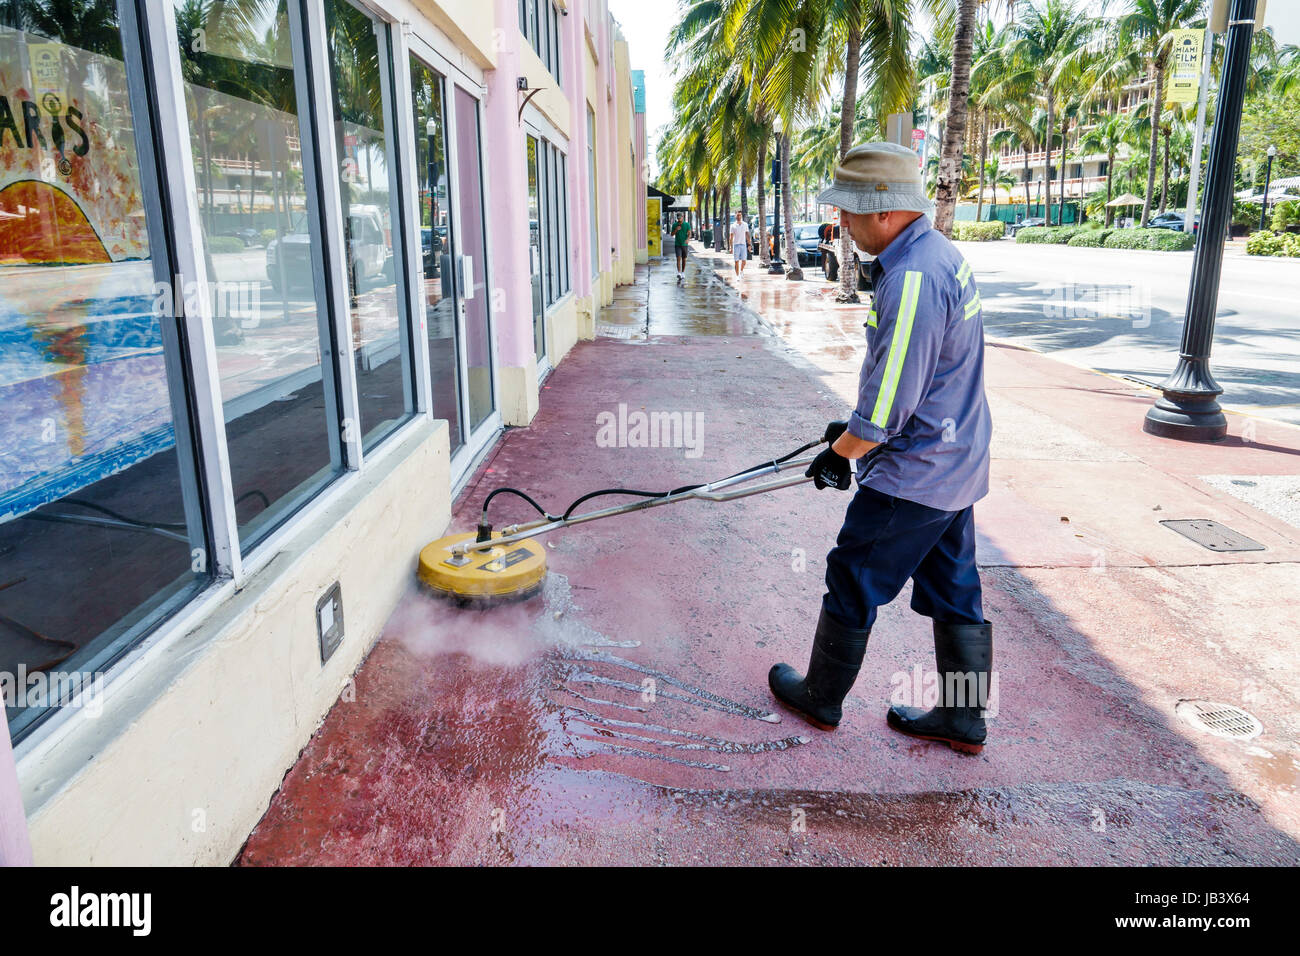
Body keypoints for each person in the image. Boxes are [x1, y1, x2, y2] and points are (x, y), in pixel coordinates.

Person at [768, 141, 995, 755]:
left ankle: (821, 696)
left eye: (848, 211)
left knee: (853, 575)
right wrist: (852, 433)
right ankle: (964, 720)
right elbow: (923, 376)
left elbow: (891, 402)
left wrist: (844, 450)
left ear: (885, 211)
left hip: (914, 474)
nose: (839, 222)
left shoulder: (915, 277)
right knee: (954, 589)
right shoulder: (937, 255)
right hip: (957, 464)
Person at [729, 211, 751, 277]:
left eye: (740, 215)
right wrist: (730, 247)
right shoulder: (733, 226)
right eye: (737, 215)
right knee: (736, 261)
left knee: (744, 261)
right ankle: (737, 276)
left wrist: (749, 244)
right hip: (736, 245)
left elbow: (747, 235)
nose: (738, 217)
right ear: (735, 216)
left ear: (741, 216)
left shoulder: (745, 224)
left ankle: (741, 270)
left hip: (743, 245)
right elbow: (731, 237)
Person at [671, 215, 691, 280]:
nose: (679, 219)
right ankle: (679, 273)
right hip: (677, 244)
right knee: (678, 258)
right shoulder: (675, 225)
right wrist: (676, 229)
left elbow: (689, 233)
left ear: (683, 217)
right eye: (678, 218)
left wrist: (688, 239)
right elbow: (672, 234)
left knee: (684, 259)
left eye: (680, 218)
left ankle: (683, 272)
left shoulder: (687, 224)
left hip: (684, 245)